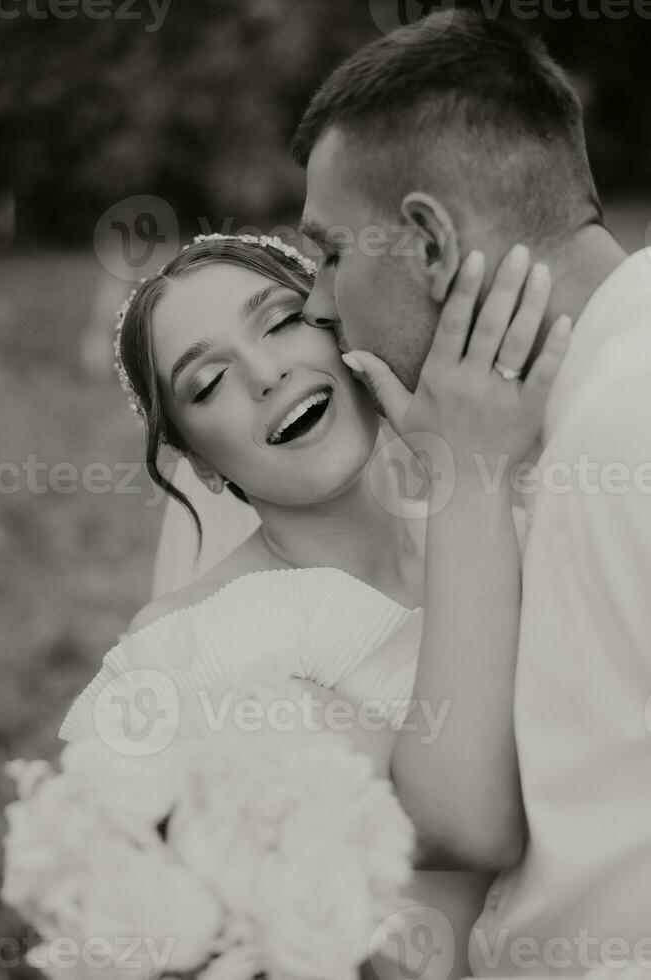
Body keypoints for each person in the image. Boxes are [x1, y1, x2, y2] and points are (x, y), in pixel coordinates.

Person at [62, 229, 567, 979]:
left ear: (340, 324)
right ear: (199, 462)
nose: (267, 373)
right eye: (208, 384)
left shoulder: (526, 521)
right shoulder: (193, 654)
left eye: (282, 321)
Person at [287, 8, 651, 976]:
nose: (318, 301)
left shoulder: (629, 424)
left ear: (429, 243)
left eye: (329, 251)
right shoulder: (557, 420)